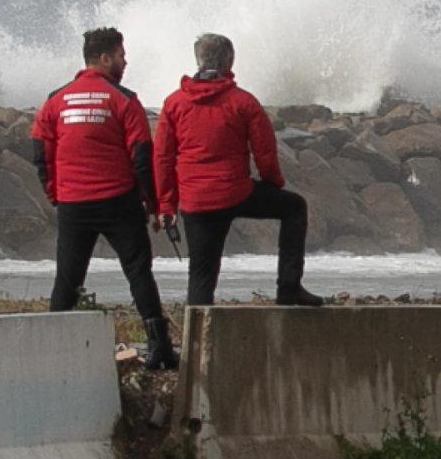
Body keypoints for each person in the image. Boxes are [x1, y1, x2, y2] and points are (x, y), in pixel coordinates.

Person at [32, 26, 178, 370]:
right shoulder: (124, 99)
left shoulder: (56, 99)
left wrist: (56, 194)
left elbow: (41, 151)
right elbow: (142, 155)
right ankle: (159, 348)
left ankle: (52, 354)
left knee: (67, 279)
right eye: (121, 55)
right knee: (139, 273)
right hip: (118, 201)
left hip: (73, 203)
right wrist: (154, 204)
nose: (125, 61)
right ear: (103, 57)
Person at [156, 33, 324, 309]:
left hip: (196, 199)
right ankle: (289, 287)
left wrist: (166, 203)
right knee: (294, 207)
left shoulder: (174, 103)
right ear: (230, 60)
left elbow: (162, 157)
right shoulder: (242, 102)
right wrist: (272, 183)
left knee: (201, 274)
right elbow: (265, 151)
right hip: (235, 192)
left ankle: (195, 343)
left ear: (197, 60)